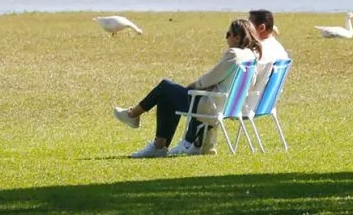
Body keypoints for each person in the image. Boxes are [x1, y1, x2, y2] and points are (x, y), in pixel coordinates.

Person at [112, 18, 263, 158]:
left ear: (237, 37)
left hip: (210, 105)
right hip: (227, 105)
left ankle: (134, 117)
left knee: (166, 86)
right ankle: (157, 145)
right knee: (168, 94)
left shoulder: (234, 54)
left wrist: (192, 86)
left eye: (228, 34)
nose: (226, 37)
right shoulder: (251, 56)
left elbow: (209, 79)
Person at [178, 9, 290, 156]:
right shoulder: (279, 49)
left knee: (210, 91)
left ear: (261, 28)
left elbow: (244, 79)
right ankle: (200, 143)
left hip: (242, 102)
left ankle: (189, 142)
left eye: (249, 25)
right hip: (265, 102)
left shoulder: (258, 52)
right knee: (212, 89)